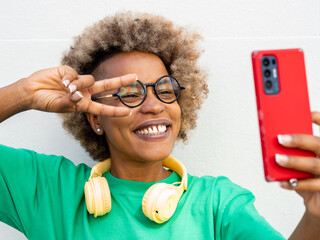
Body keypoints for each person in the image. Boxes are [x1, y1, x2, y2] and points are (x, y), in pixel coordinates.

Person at [0, 11, 320, 240]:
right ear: (95, 118)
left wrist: (315, 218)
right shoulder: (47, 190)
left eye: (165, 89)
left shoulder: (218, 203)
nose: (154, 105)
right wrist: (23, 93)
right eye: (129, 93)